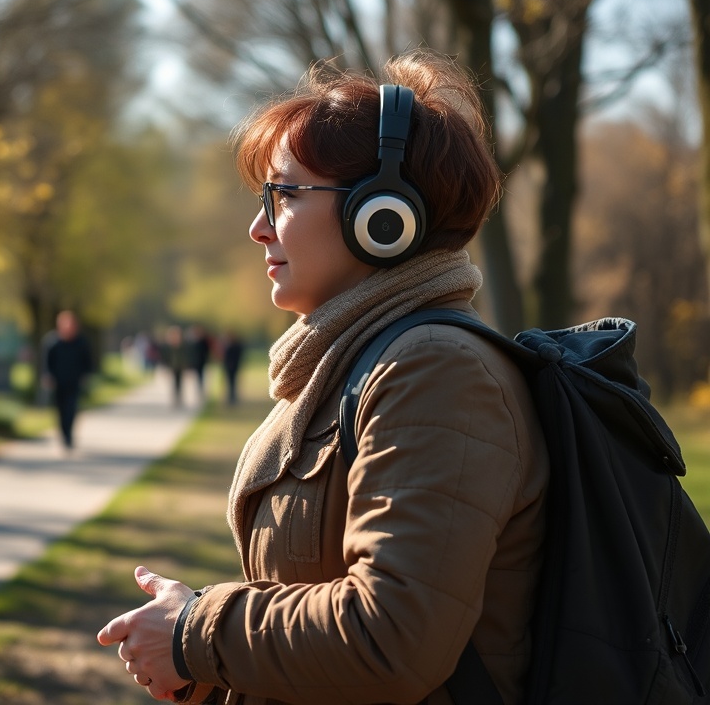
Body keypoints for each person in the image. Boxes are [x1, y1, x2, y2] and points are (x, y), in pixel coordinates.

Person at [96, 48, 549, 705]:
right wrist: (203, 671)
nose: (258, 228)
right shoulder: (346, 365)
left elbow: (393, 640)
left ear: (382, 218)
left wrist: (197, 631)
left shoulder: (437, 372)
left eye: (281, 195)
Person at [43, 310, 92, 451]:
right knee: (60, 410)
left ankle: (69, 435)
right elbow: (47, 363)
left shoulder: (81, 343)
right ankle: (63, 434)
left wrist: (86, 375)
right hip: (58, 382)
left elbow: (87, 361)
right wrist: (47, 376)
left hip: (74, 381)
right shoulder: (53, 343)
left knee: (71, 409)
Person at [220, 332, 244, 406]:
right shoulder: (227, 345)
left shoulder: (236, 346)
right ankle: (230, 397)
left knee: (233, 383)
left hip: (233, 367)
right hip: (228, 367)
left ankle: (232, 398)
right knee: (229, 383)